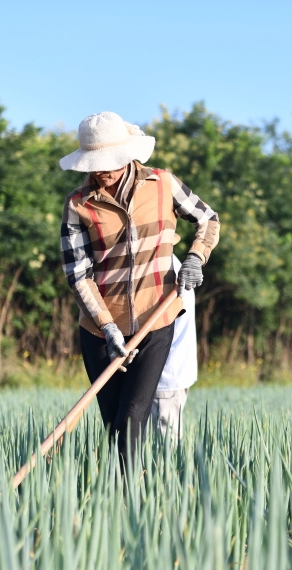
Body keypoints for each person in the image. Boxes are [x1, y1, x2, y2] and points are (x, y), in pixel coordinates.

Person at [59, 111, 219, 470]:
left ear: (128, 154)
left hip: (156, 317)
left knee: (133, 416)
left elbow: (207, 218)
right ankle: (122, 502)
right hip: (101, 330)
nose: (104, 171)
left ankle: (131, 506)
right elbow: (78, 274)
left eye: (110, 162)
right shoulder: (78, 204)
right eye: (96, 164)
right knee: (115, 425)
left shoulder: (162, 184)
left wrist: (195, 258)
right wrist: (106, 325)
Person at [151, 249, 198, 440]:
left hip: (165, 376)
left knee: (165, 447)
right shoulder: (170, 265)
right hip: (172, 372)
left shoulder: (165, 271)